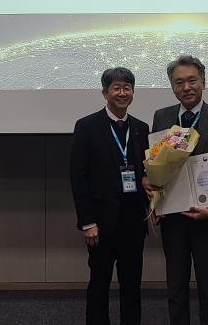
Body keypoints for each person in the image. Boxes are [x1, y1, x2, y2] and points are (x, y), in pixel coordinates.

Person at [148, 55, 208, 325]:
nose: (186, 87)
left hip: (206, 215)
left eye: (192, 80)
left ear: (203, 83)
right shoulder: (162, 117)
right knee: (175, 287)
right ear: (172, 87)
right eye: (179, 82)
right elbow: (155, 164)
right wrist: (155, 198)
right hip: (173, 217)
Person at [70, 67, 151, 325]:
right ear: (105, 93)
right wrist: (87, 222)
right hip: (101, 224)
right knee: (99, 285)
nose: (122, 93)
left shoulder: (141, 128)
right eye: (116, 88)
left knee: (132, 286)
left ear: (133, 93)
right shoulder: (86, 126)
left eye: (127, 88)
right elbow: (78, 178)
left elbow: (146, 172)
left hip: (134, 222)